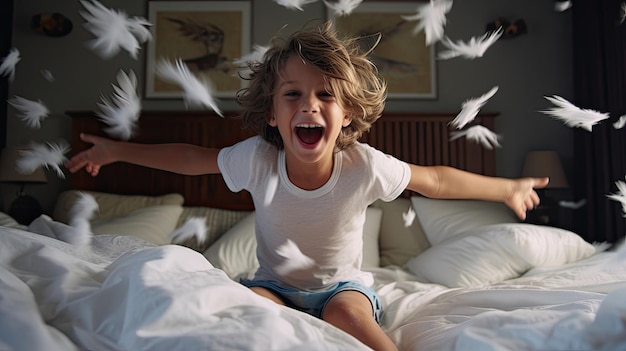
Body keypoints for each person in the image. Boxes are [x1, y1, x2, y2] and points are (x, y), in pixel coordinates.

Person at [66, 21, 548, 351]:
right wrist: (116, 151)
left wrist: (504, 189)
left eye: (325, 95)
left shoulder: (364, 165)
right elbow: (191, 160)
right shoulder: (257, 158)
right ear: (273, 115)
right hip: (272, 284)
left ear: (349, 113)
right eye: (292, 95)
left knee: (346, 316)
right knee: (253, 310)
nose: (308, 106)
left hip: (342, 287)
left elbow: (436, 180)